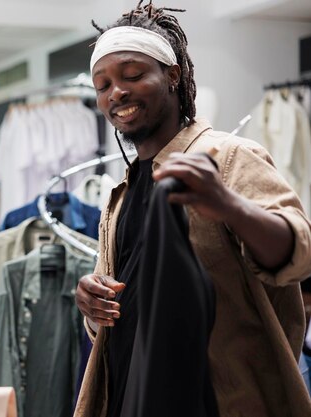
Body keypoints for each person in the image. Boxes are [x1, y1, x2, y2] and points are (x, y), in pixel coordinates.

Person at [74, 2, 311, 417]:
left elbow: (300, 254)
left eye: (132, 75)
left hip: (224, 400)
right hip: (131, 397)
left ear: (173, 75)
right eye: (103, 84)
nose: (117, 92)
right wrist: (92, 307)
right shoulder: (121, 194)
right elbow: (124, 313)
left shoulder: (229, 157)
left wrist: (228, 205)